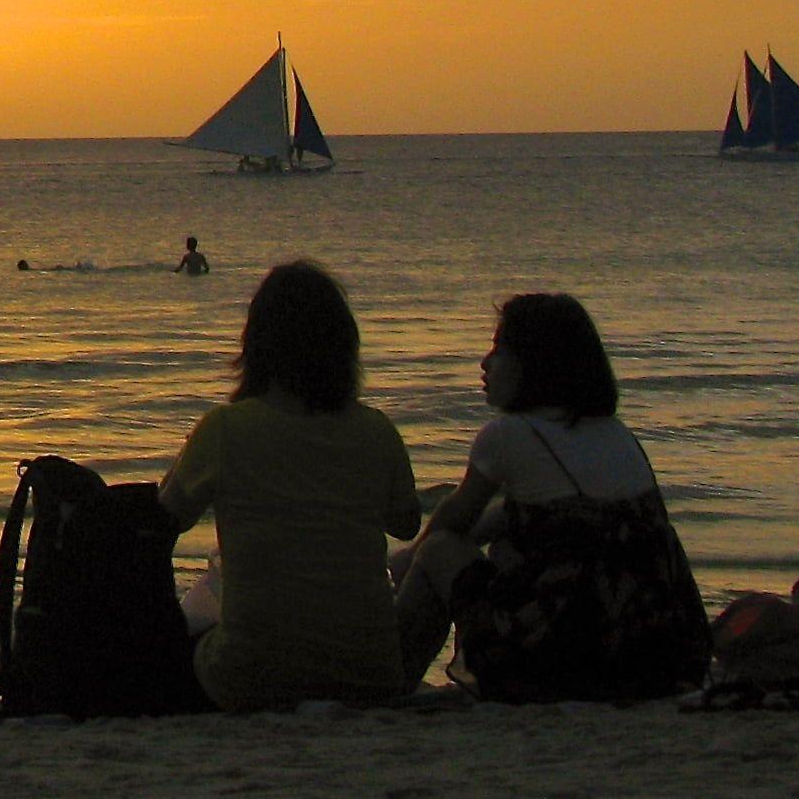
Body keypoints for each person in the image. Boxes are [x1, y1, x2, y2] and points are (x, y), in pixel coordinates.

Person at [392, 293, 709, 701]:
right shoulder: (615, 434)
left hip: (559, 659)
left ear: (531, 364)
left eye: (498, 350)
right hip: (653, 655)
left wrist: (412, 557)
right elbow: (539, 517)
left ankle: (391, 680)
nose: (485, 364)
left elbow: (457, 515)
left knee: (436, 550)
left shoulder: (508, 435)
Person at [158, 260, 420, 710]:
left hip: (251, 679)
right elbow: (406, 523)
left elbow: (168, 515)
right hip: (369, 677)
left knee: (200, 612)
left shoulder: (226, 428)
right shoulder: (375, 431)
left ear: (257, 346)